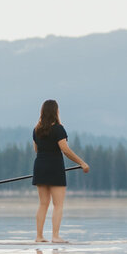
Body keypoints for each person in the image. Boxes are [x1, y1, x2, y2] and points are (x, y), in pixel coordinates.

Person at [32, 99, 89, 243]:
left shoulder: (36, 129)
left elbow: (36, 150)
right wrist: (82, 162)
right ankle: (55, 237)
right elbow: (65, 150)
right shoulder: (58, 129)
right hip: (55, 168)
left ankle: (39, 237)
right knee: (58, 204)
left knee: (43, 204)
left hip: (39, 166)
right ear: (56, 112)